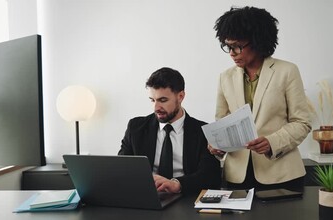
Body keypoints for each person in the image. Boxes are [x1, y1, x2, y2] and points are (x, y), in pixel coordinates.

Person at [209, 6, 311, 191]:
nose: (232, 52)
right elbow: (222, 122)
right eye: (228, 46)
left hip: (281, 174)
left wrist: (272, 142)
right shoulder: (225, 77)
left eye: (237, 46)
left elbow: (302, 122)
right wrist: (217, 145)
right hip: (237, 176)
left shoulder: (287, 71)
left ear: (257, 41)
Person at [118, 67, 221, 195]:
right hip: (145, 197)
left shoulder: (203, 131)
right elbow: (121, 168)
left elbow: (210, 176)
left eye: (163, 100)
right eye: (152, 100)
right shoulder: (136, 128)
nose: (156, 107)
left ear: (180, 96)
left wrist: (177, 184)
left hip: (186, 200)